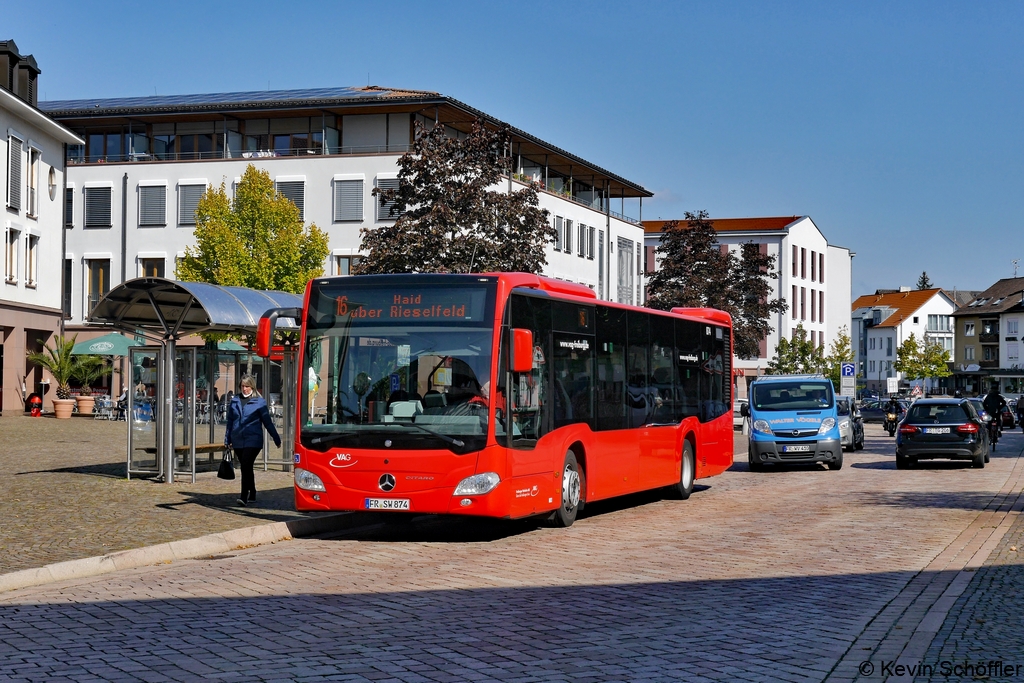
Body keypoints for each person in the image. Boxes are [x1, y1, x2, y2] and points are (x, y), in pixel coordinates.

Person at [225, 375, 281, 507]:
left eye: (247, 386)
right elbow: (230, 422)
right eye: (242, 386)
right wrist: (227, 439)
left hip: (253, 439)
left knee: (245, 464)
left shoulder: (259, 402)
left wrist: (276, 438)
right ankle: (253, 491)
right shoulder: (235, 401)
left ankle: (244, 496)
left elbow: (267, 422)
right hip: (238, 439)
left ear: (252, 386)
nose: (244, 389)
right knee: (246, 467)